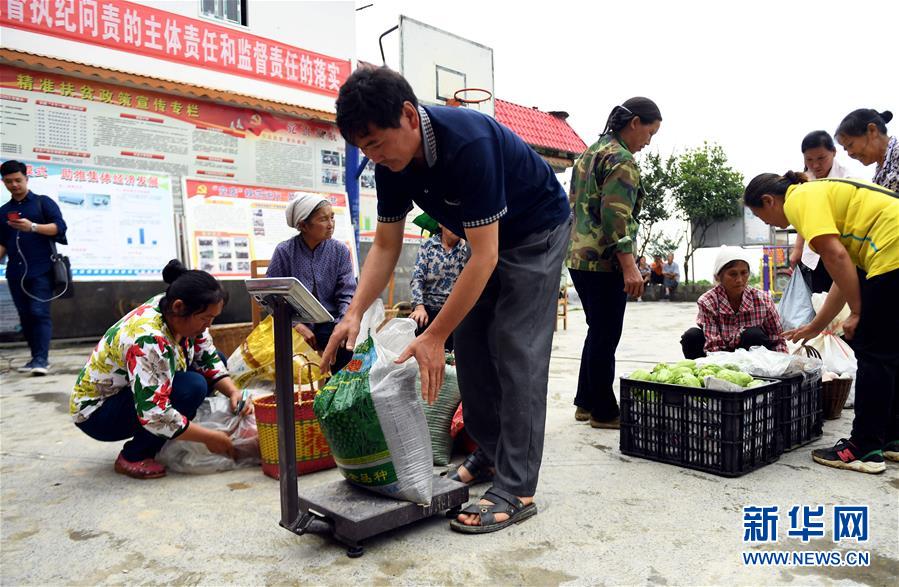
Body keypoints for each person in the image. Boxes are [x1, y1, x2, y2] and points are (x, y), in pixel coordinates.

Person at [324, 66, 571, 533]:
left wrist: (433, 334)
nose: (373, 155)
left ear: (408, 116)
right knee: (473, 343)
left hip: (537, 230)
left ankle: (517, 487)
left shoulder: (468, 143)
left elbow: (485, 255)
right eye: (364, 149)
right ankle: (491, 455)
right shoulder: (390, 165)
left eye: (377, 142)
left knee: (518, 348)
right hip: (489, 240)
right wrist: (353, 312)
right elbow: (385, 245)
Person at [744, 171, 899, 474]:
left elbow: (835, 257)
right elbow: (844, 273)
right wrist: (816, 326)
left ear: (769, 200)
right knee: (891, 353)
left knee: (873, 355)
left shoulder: (801, 198)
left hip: (891, 252)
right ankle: (892, 437)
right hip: (890, 250)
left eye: (763, 217)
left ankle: (864, 449)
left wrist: (857, 312)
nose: (768, 224)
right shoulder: (823, 197)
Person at [71, 260, 252, 479]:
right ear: (178, 307)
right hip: (98, 414)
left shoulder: (178, 311)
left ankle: (175, 432)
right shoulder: (148, 338)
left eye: (213, 318)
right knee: (192, 387)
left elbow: (207, 356)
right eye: (206, 318)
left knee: (215, 364)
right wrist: (209, 437)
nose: (209, 325)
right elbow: (154, 413)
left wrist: (233, 392)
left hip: (133, 393)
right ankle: (134, 456)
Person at [567, 97, 662, 429]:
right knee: (606, 335)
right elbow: (615, 216)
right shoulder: (621, 159)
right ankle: (604, 412)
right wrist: (629, 264)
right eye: (650, 133)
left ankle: (585, 401)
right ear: (634, 122)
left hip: (578, 257)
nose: (648, 142)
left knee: (597, 331)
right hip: (604, 260)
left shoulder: (589, 152)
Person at [266, 193, 356, 372]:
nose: (330, 224)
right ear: (303, 225)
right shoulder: (285, 251)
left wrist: (343, 321)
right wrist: (296, 325)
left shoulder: (339, 251)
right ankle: (298, 395)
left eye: (332, 217)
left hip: (331, 319)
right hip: (294, 321)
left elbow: (347, 291)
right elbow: (270, 296)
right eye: (323, 219)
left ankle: (334, 391)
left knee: (342, 341)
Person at [0, 160, 68, 376]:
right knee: (25, 316)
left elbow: (60, 227)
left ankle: (41, 359)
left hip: (42, 269)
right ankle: (34, 358)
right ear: (3, 182)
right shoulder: (3, 212)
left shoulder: (42, 203)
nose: (14, 185)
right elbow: (2, 243)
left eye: (18, 180)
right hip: (15, 273)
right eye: (9, 181)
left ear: (26, 179)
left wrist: (33, 227)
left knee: (39, 312)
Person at [680, 246, 787, 359]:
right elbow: (714, 346)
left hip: (754, 360)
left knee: (753, 335)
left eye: (744, 273)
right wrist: (723, 372)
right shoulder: (707, 302)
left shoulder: (763, 300)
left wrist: (782, 365)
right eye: (733, 274)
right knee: (691, 336)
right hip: (718, 357)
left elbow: (777, 339)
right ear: (718, 277)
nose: (740, 280)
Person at [790, 130, 852, 293]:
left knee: (842, 300)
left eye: (821, 158)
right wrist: (797, 249)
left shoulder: (847, 180)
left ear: (834, 152)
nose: (815, 165)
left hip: (842, 250)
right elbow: (805, 218)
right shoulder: (805, 180)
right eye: (809, 160)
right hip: (813, 256)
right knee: (817, 300)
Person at [409, 224, 469, 352]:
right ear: (441, 224)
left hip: (452, 311)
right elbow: (417, 278)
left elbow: (469, 284)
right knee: (420, 334)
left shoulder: (466, 250)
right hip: (427, 309)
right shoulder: (428, 246)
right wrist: (419, 307)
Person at [835, 108, 897, 192]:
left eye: (850, 145)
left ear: (872, 130)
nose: (850, 153)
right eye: (846, 149)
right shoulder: (880, 171)